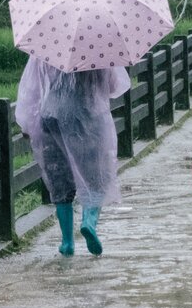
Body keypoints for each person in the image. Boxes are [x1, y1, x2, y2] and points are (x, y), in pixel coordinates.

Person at [16, 57, 130, 256]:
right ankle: (89, 222)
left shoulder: (45, 50)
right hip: (89, 118)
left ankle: (67, 242)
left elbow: (30, 90)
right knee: (97, 177)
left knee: (59, 181)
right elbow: (113, 86)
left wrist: (26, 124)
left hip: (52, 118)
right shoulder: (101, 49)